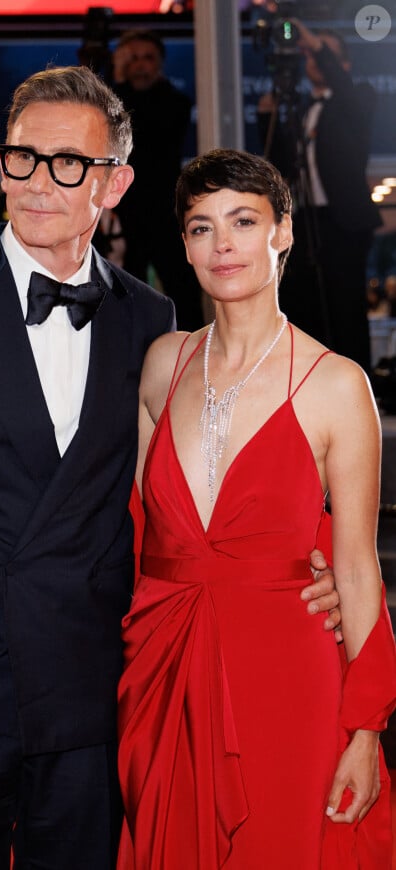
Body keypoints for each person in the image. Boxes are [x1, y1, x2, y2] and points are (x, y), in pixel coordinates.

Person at [0, 69, 337, 870]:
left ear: (114, 183)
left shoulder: (150, 319)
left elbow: (188, 489)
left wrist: (315, 565)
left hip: (90, 694)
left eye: (67, 164)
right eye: (21, 158)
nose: (37, 184)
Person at [117, 148, 396, 868]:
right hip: (165, 666)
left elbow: (359, 571)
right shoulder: (162, 364)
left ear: (284, 232)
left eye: (243, 221)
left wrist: (366, 732)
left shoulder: (337, 384)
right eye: (201, 227)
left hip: (288, 675)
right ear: (184, 245)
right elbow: (136, 533)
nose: (223, 245)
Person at [257, 21, 381, 374]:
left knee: (346, 306)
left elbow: (344, 89)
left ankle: (359, 384)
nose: (311, 58)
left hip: (345, 222)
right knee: (306, 304)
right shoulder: (303, 106)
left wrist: (312, 38)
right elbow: (281, 169)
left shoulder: (358, 98)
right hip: (309, 220)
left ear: (343, 64)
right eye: (308, 54)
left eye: (320, 54)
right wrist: (268, 120)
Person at [113, 29, 204, 332]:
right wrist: (116, 73)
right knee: (123, 294)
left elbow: (145, 125)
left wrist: (121, 80)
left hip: (167, 213)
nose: (140, 65)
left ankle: (195, 354)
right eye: (133, 59)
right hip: (124, 213)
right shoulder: (115, 98)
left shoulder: (175, 102)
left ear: (160, 63)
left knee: (183, 292)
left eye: (147, 58)